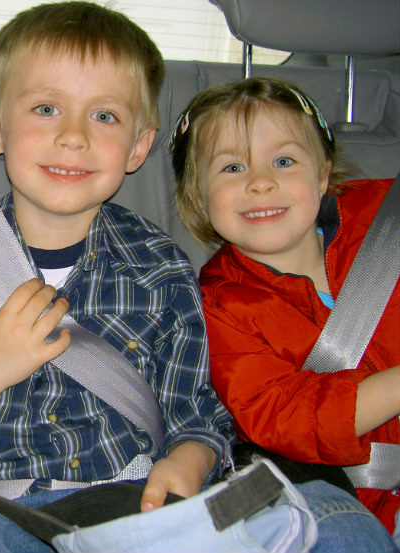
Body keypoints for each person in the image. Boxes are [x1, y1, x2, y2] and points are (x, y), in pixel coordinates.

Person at [0, 3, 233, 552]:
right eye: (47, 108)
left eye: (104, 116)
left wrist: (193, 457)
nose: (74, 136)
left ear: (140, 146)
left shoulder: (161, 269)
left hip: (133, 505)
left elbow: (194, 410)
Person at [171, 76, 399, 546]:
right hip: (354, 502)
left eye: (284, 160)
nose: (260, 182)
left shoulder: (386, 216)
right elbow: (280, 414)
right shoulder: (218, 304)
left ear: (322, 174)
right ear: (199, 198)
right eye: (232, 168)